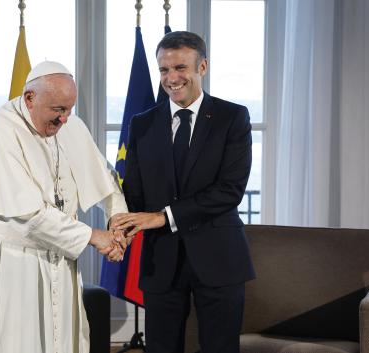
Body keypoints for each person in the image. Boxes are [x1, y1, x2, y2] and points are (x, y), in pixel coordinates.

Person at [0, 61, 128, 353]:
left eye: (69, 109)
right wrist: (94, 237)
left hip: (54, 254)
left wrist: (118, 221)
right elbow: (29, 216)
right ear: (30, 98)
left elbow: (104, 178)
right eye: (58, 110)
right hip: (6, 261)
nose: (65, 119)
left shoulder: (68, 124)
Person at [111, 31, 255, 353]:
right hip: (161, 261)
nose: (171, 78)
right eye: (164, 70)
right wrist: (122, 229)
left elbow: (229, 191)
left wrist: (163, 217)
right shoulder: (142, 123)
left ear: (202, 67)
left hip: (219, 258)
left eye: (180, 68)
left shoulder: (232, 118)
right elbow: (133, 192)